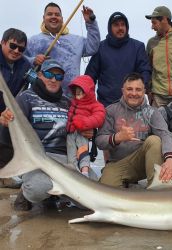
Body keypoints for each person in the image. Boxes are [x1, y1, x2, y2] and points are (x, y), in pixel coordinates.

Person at [0, 59, 70, 210]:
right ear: (39, 75)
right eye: (48, 74)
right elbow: (10, 138)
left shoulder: (67, 102)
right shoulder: (26, 98)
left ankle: (54, 193)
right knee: (37, 189)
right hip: (36, 159)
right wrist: (5, 125)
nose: (53, 79)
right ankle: (26, 194)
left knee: (88, 198)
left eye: (58, 77)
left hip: (64, 160)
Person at [95, 72, 172, 188]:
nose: (134, 93)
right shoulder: (110, 110)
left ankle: (156, 190)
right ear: (123, 90)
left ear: (144, 92)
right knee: (105, 188)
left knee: (154, 140)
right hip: (118, 163)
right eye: (129, 89)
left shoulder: (152, 112)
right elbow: (99, 141)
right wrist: (117, 137)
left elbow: (165, 134)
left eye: (138, 90)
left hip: (142, 163)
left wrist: (170, 159)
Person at [25, 2, 100, 96]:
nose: (54, 17)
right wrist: (33, 60)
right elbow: (20, 61)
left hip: (70, 99)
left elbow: (93, 47)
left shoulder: (76, 40)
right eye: (49, 14)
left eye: (57, 15)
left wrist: (91, 23)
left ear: (62, 19)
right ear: (43, 18)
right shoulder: (33, 41)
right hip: (41, 99)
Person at [85, 12, 151, 107]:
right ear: (110, 28)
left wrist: (138, 92)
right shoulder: (100, 48)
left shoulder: (138, 47)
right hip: (106, 105)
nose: (120, 28)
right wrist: (88, 100)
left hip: (133, 104)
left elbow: (145, 71)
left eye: (122, 24)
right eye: (116, 25)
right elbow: (89, 77)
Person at [0, 28, 31, 188]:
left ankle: (4, 175)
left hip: (8, 109)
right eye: (12, 46)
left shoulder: (25, 64)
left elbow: (31, 83)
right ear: (2, 42)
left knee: (11, 131)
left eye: (21, 48)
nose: (16, 51)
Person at [66, 75, 105, 178]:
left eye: (81, 92)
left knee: (83, 152)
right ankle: (73, 170)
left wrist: (84, 123)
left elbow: (99, 117)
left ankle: (85, 171)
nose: (78, 95)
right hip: (70, 133)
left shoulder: (95, 105)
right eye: (76, 92)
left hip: (82, 133)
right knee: (71, 153)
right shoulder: (72, 102)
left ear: (89, 92)